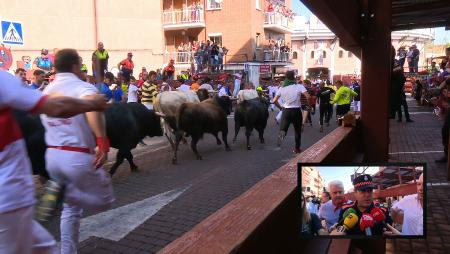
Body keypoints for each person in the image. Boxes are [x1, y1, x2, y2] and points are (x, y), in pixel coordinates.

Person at [0, 69, 109, 254]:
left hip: (18, 202)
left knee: (47, 248)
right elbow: (54, 107)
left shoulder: (48, 87)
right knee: (101, 199)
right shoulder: (3, 79)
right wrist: (93, 103)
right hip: (9, 202)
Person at [39, 49, 115, 253]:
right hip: (76, 156)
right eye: (80, 63)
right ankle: (72, 192)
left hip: (52, 156)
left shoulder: (47, 89)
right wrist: (102, 141)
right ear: (74, 66)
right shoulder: (81, 86)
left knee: (71, 210)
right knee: (106, 199)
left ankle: (67, 251)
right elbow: (93, 107)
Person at [273, 71, 310, 154]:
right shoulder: (299, 86)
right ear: (294, 77)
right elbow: (308, 96)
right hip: (296, 111)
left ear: (286, 78)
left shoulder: (282, 88)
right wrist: (308, 105)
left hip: (286, 110)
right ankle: (297, 149)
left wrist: (280, 108)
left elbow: (274, 100)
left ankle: (281, 139)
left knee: (283, 129)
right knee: (297, 131)